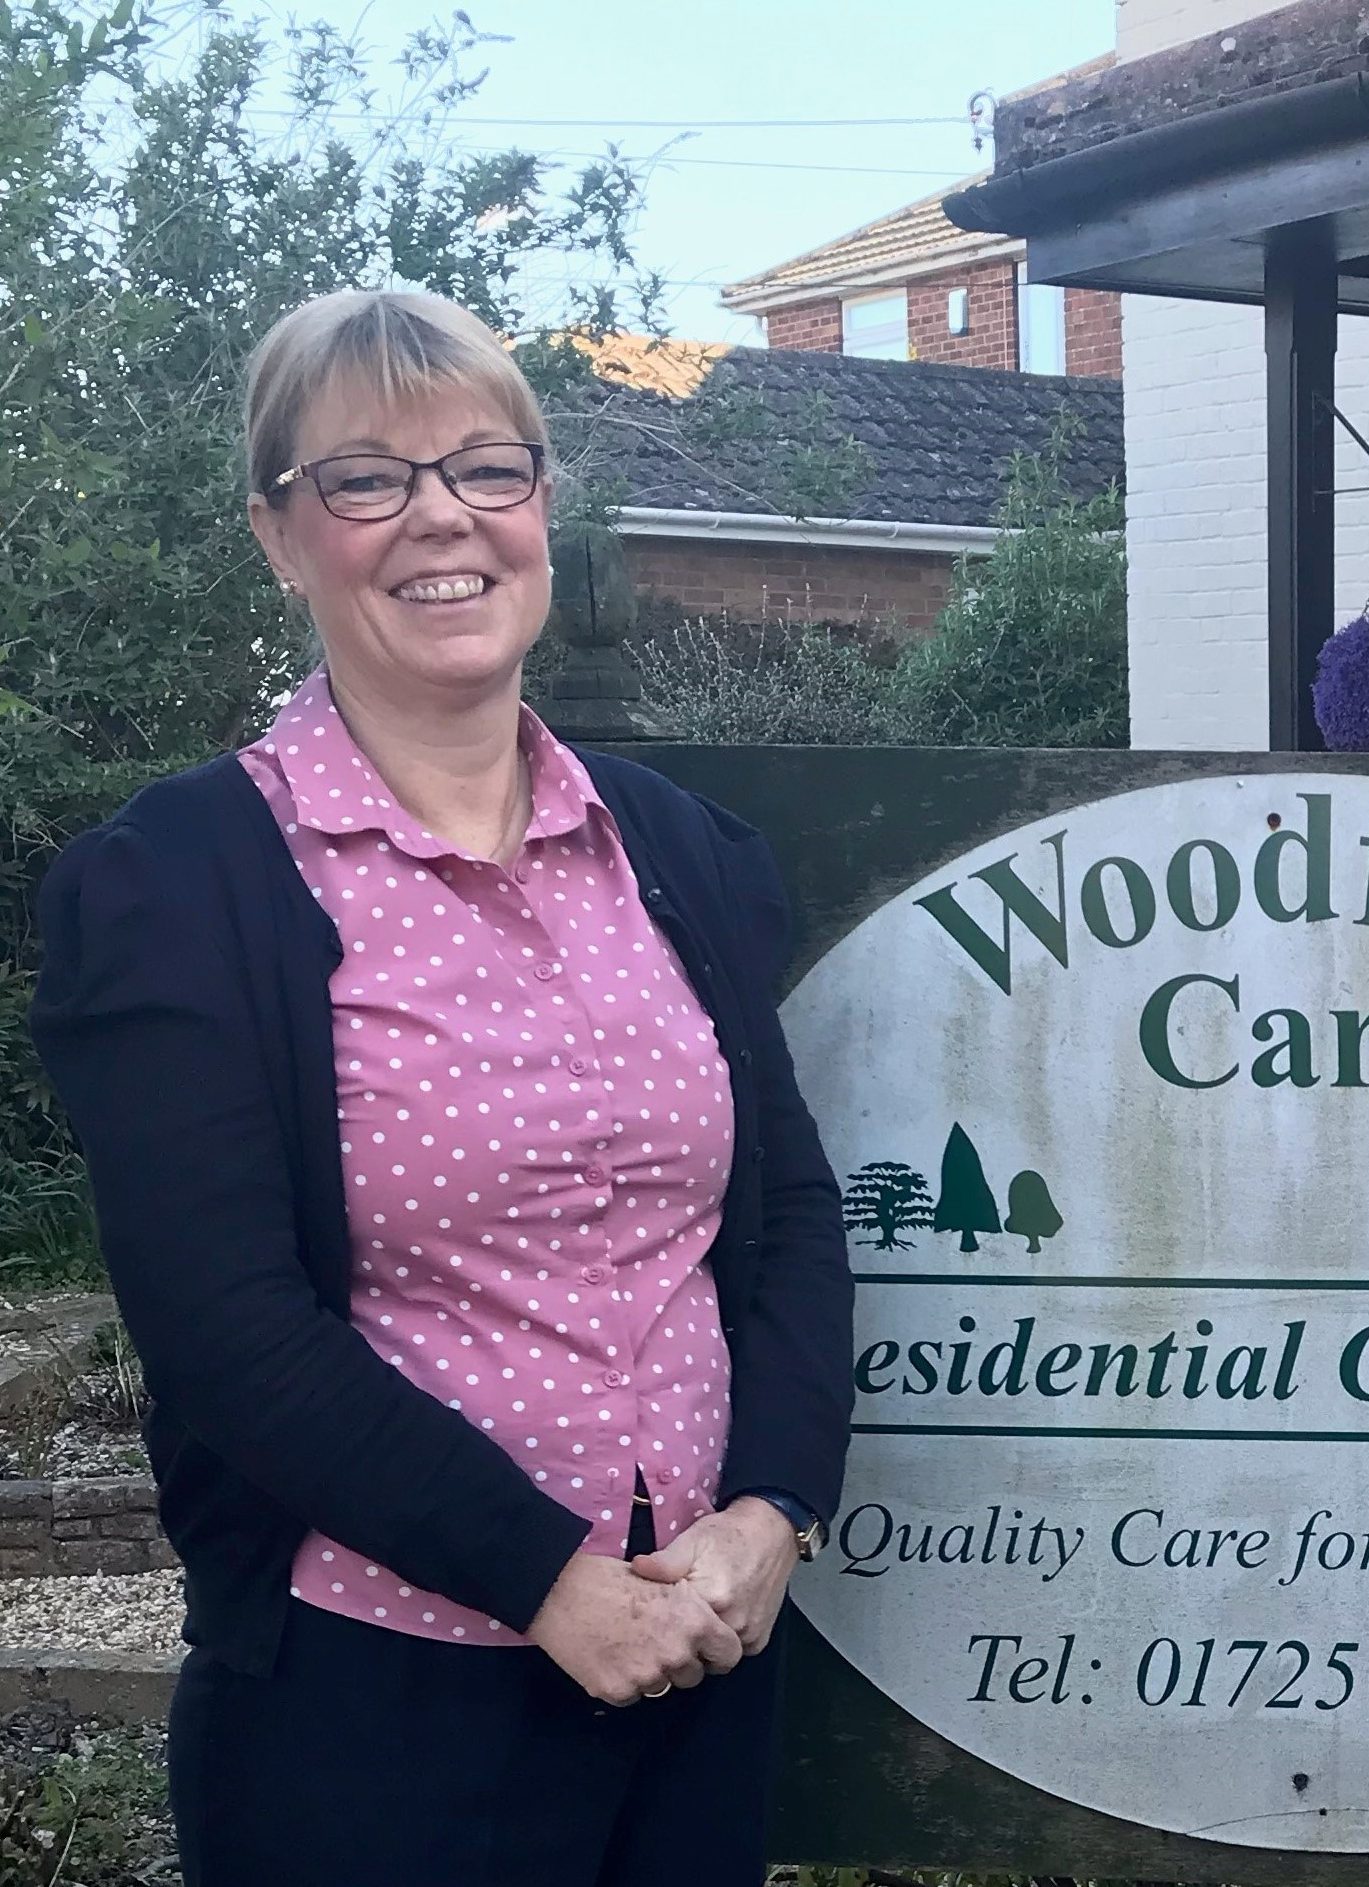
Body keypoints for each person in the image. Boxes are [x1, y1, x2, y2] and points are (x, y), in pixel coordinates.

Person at [30, 288, 855, 1885]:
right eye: (366, 478)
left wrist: (772, 1510)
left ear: (540, 508)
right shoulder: (178, 885)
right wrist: (548, 1578)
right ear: (281, 535)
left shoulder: (675, 854)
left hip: (697, 1663)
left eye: (487, 468)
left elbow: (785, 1214)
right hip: (374, 1698)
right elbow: (224, 1328)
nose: (441, 519)